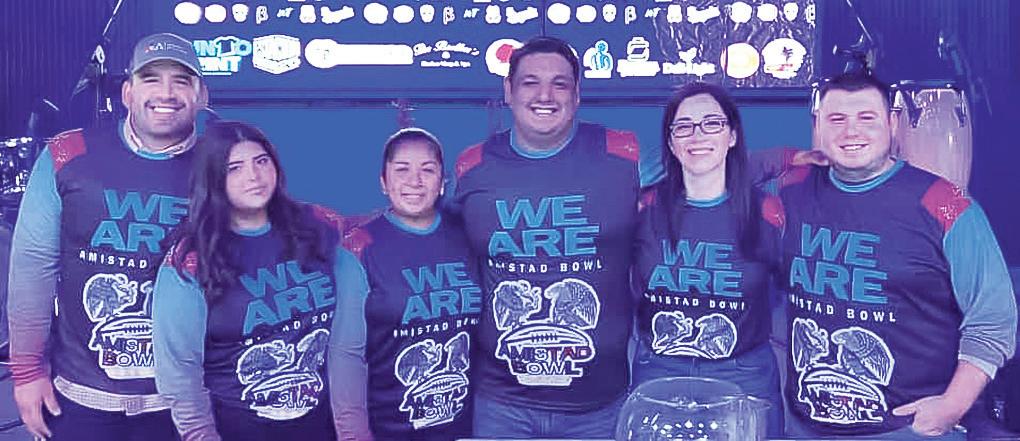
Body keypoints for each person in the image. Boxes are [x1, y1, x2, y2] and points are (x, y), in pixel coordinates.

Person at [770, 71, 1016, 439]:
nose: (851, 131)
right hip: (805, 425)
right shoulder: (793, 190)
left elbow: (994, 319)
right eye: (836, 119)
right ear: (817, 127)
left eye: (866, 117)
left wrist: (951, 407)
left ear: (892, 124)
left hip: (906, 429)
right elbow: (724, 174)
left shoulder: (944, 205)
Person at [8, 33, 206, 440]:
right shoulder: (68, 153)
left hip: (187, 400)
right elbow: (32, 268)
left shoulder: (228, 165)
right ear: (127, 92)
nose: (166, 93)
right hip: (81, 395)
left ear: (201, 96)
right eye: (151, 79)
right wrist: (27, 371)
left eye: (181, 81)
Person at [449, 36, 643, 439]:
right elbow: (427, 222)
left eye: (559, 83)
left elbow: (701, 166)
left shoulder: (623, 154)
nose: (544, 95)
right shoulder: (473, 166)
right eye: (530, 82)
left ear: (577, 93)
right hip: (502, 404)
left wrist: (776, 165)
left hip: (599, 405)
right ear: (508, 91)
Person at [151, 120, 364, 440]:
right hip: (236, 429)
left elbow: (348, 345)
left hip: (323, 426)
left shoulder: (318, 227)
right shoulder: (191, 260)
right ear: (213, 178)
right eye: (234, 168)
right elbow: (179, 376)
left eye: (261, 161)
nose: (254, 176)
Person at [631, 82, 784, 437]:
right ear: (671, 142)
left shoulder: (769, 212)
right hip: (659, 369)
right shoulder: (642, 208)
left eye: (712, 123)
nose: (697, 135)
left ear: (732, 135)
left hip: (744, 373)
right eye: (684, 126)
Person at [334, 128, 481, 441]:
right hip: (391, 428)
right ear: (383, 182)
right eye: (402, 170)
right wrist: (354, 435)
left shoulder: (467, 234)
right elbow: (347, 356)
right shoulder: (360, 248)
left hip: (467, 426)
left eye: (427, 170)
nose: (415, 181)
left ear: (442, 182)